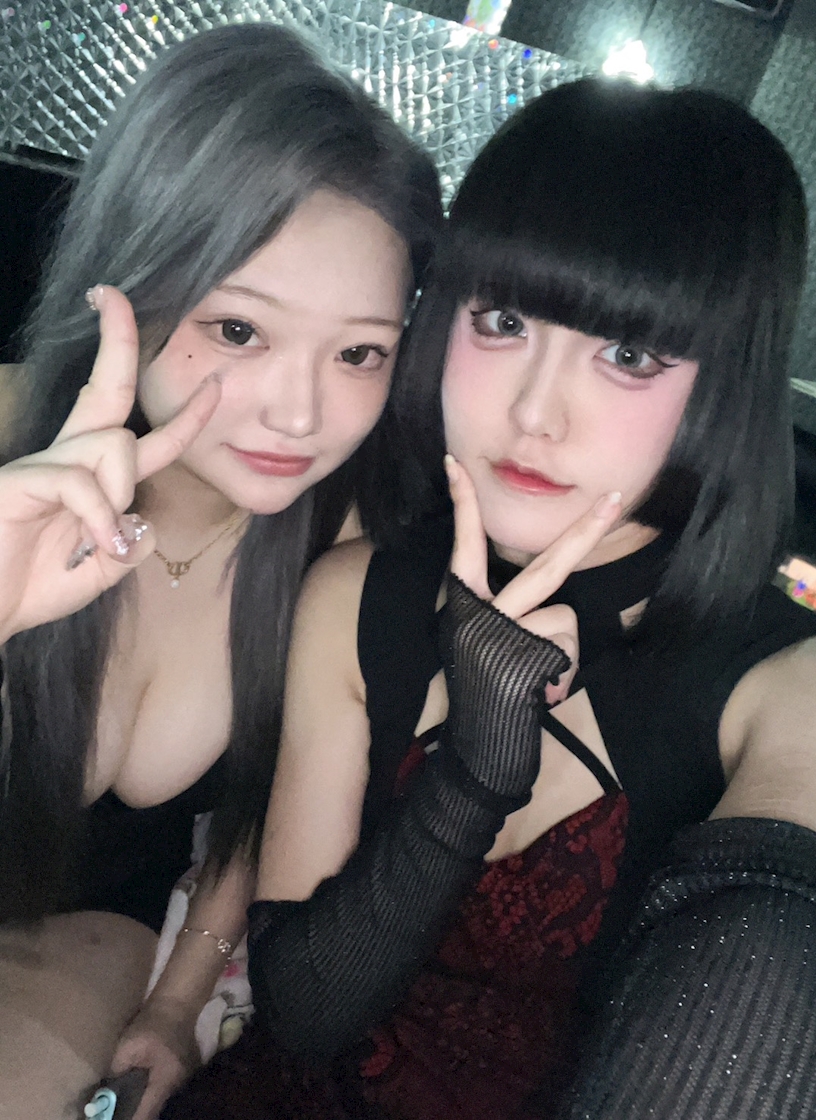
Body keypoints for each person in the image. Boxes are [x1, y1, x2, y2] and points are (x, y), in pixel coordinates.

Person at [164, 79, 816, 1119]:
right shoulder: (356, 595)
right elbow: (302, 1016)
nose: (535, 412)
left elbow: (768, 966)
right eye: (504, 320)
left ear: (724, 382)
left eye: (627, 354)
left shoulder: (794, 689)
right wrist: (473, 774)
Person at [0, 21, 441, 1120]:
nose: (300, 414)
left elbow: (257, 819)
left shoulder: (340, 550)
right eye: (240, 329)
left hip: (83, 950)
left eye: (360, 352)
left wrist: (174, 1003)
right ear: (130, 278)